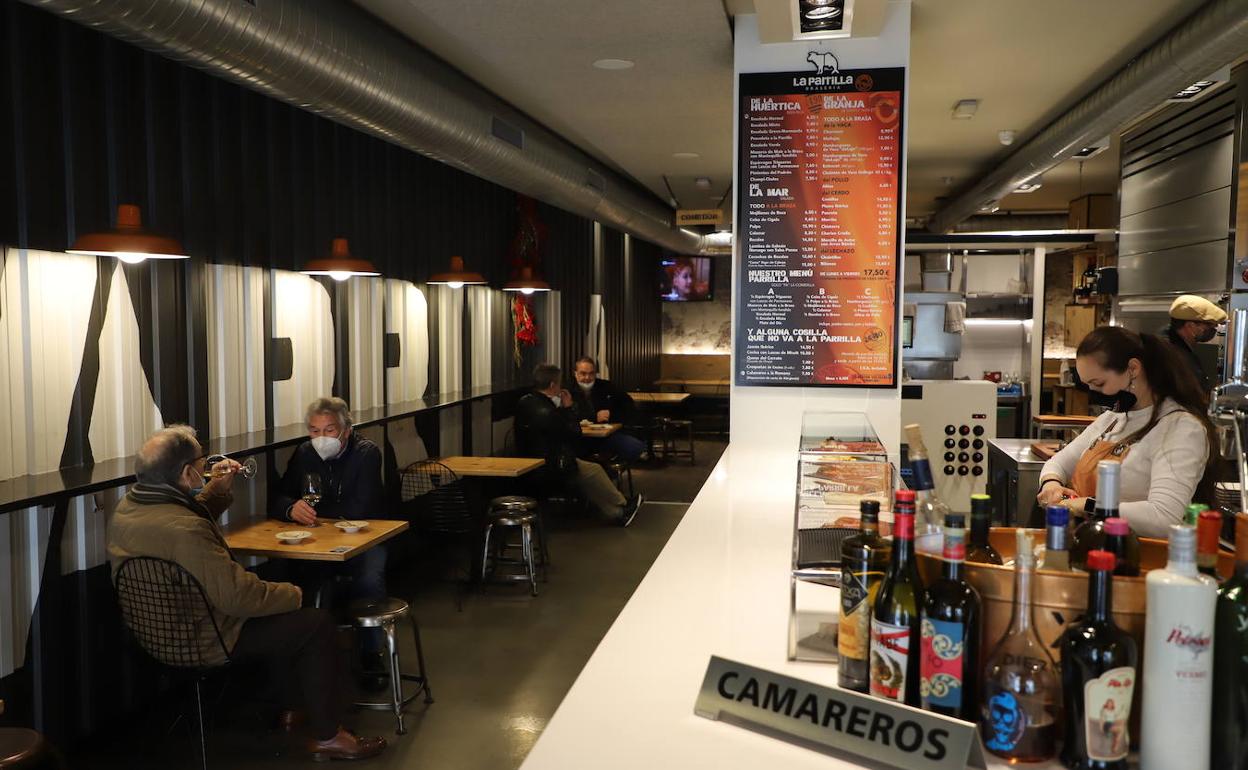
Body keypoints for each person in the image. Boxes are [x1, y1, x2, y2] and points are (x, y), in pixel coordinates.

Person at [108, 425, 386, 761]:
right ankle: (329, 735)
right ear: (185, 472)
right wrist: (293, 593)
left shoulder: (127, 510)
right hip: (203, 637)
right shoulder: (186, 529)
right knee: (314, 622)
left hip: (151, 635)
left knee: (286, 617)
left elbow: (179, 520)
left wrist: (217, 490)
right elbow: (237, 597)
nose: (207, 466)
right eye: (201, 461)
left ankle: (294, 707)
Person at [1036, 326, 1218, 538]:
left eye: (1099, 383)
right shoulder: (1112, 420)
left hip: (1137, 556)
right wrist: (1051, 483)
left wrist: (1086, 505)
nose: (1094, 393)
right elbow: (1058, 463)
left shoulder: (1181, 428)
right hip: (1089, 544)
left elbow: (1165, 516)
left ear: (1133, 369)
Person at [270, 397, 388, 680]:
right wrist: (291, 508)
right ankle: (309, 659)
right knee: (292, 577)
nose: (321, 438)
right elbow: (277, 497)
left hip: (366, 540)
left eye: (329, 430)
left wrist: (314, 510)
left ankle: (371, 654)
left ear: (347, 430)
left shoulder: (367, 453)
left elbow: (362, 507)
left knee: (370, 579)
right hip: (318, 543)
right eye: (314, 431)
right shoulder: (304, 454)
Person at [515, 363, 644, 526]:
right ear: (553, 385)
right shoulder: (547, 410)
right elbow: (574, 433)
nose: (587, 377)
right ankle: (623, 504)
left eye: (591, 373)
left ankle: (618, 512)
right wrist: (568, 408)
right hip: (550, 463)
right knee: (593, 470)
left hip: (537, 457)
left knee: (595, 466)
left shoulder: (527, 401)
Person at [570, 356, 646, 462]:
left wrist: (611, 414)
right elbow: (565, 415)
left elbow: (628, 406)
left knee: (636, 447)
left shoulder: (606, 386)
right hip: (578, 438)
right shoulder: (567, 390)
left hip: (606, 436)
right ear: (575, 373)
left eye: (591, 373)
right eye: (583, 373)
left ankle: (610, 469)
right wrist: (593, 417)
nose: (587, 378)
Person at [1163, 294, 1226, 393]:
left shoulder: (1172, 342)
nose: (1213, 330)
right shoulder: (1174, 355)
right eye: (1209, 325)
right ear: (1190, 326)